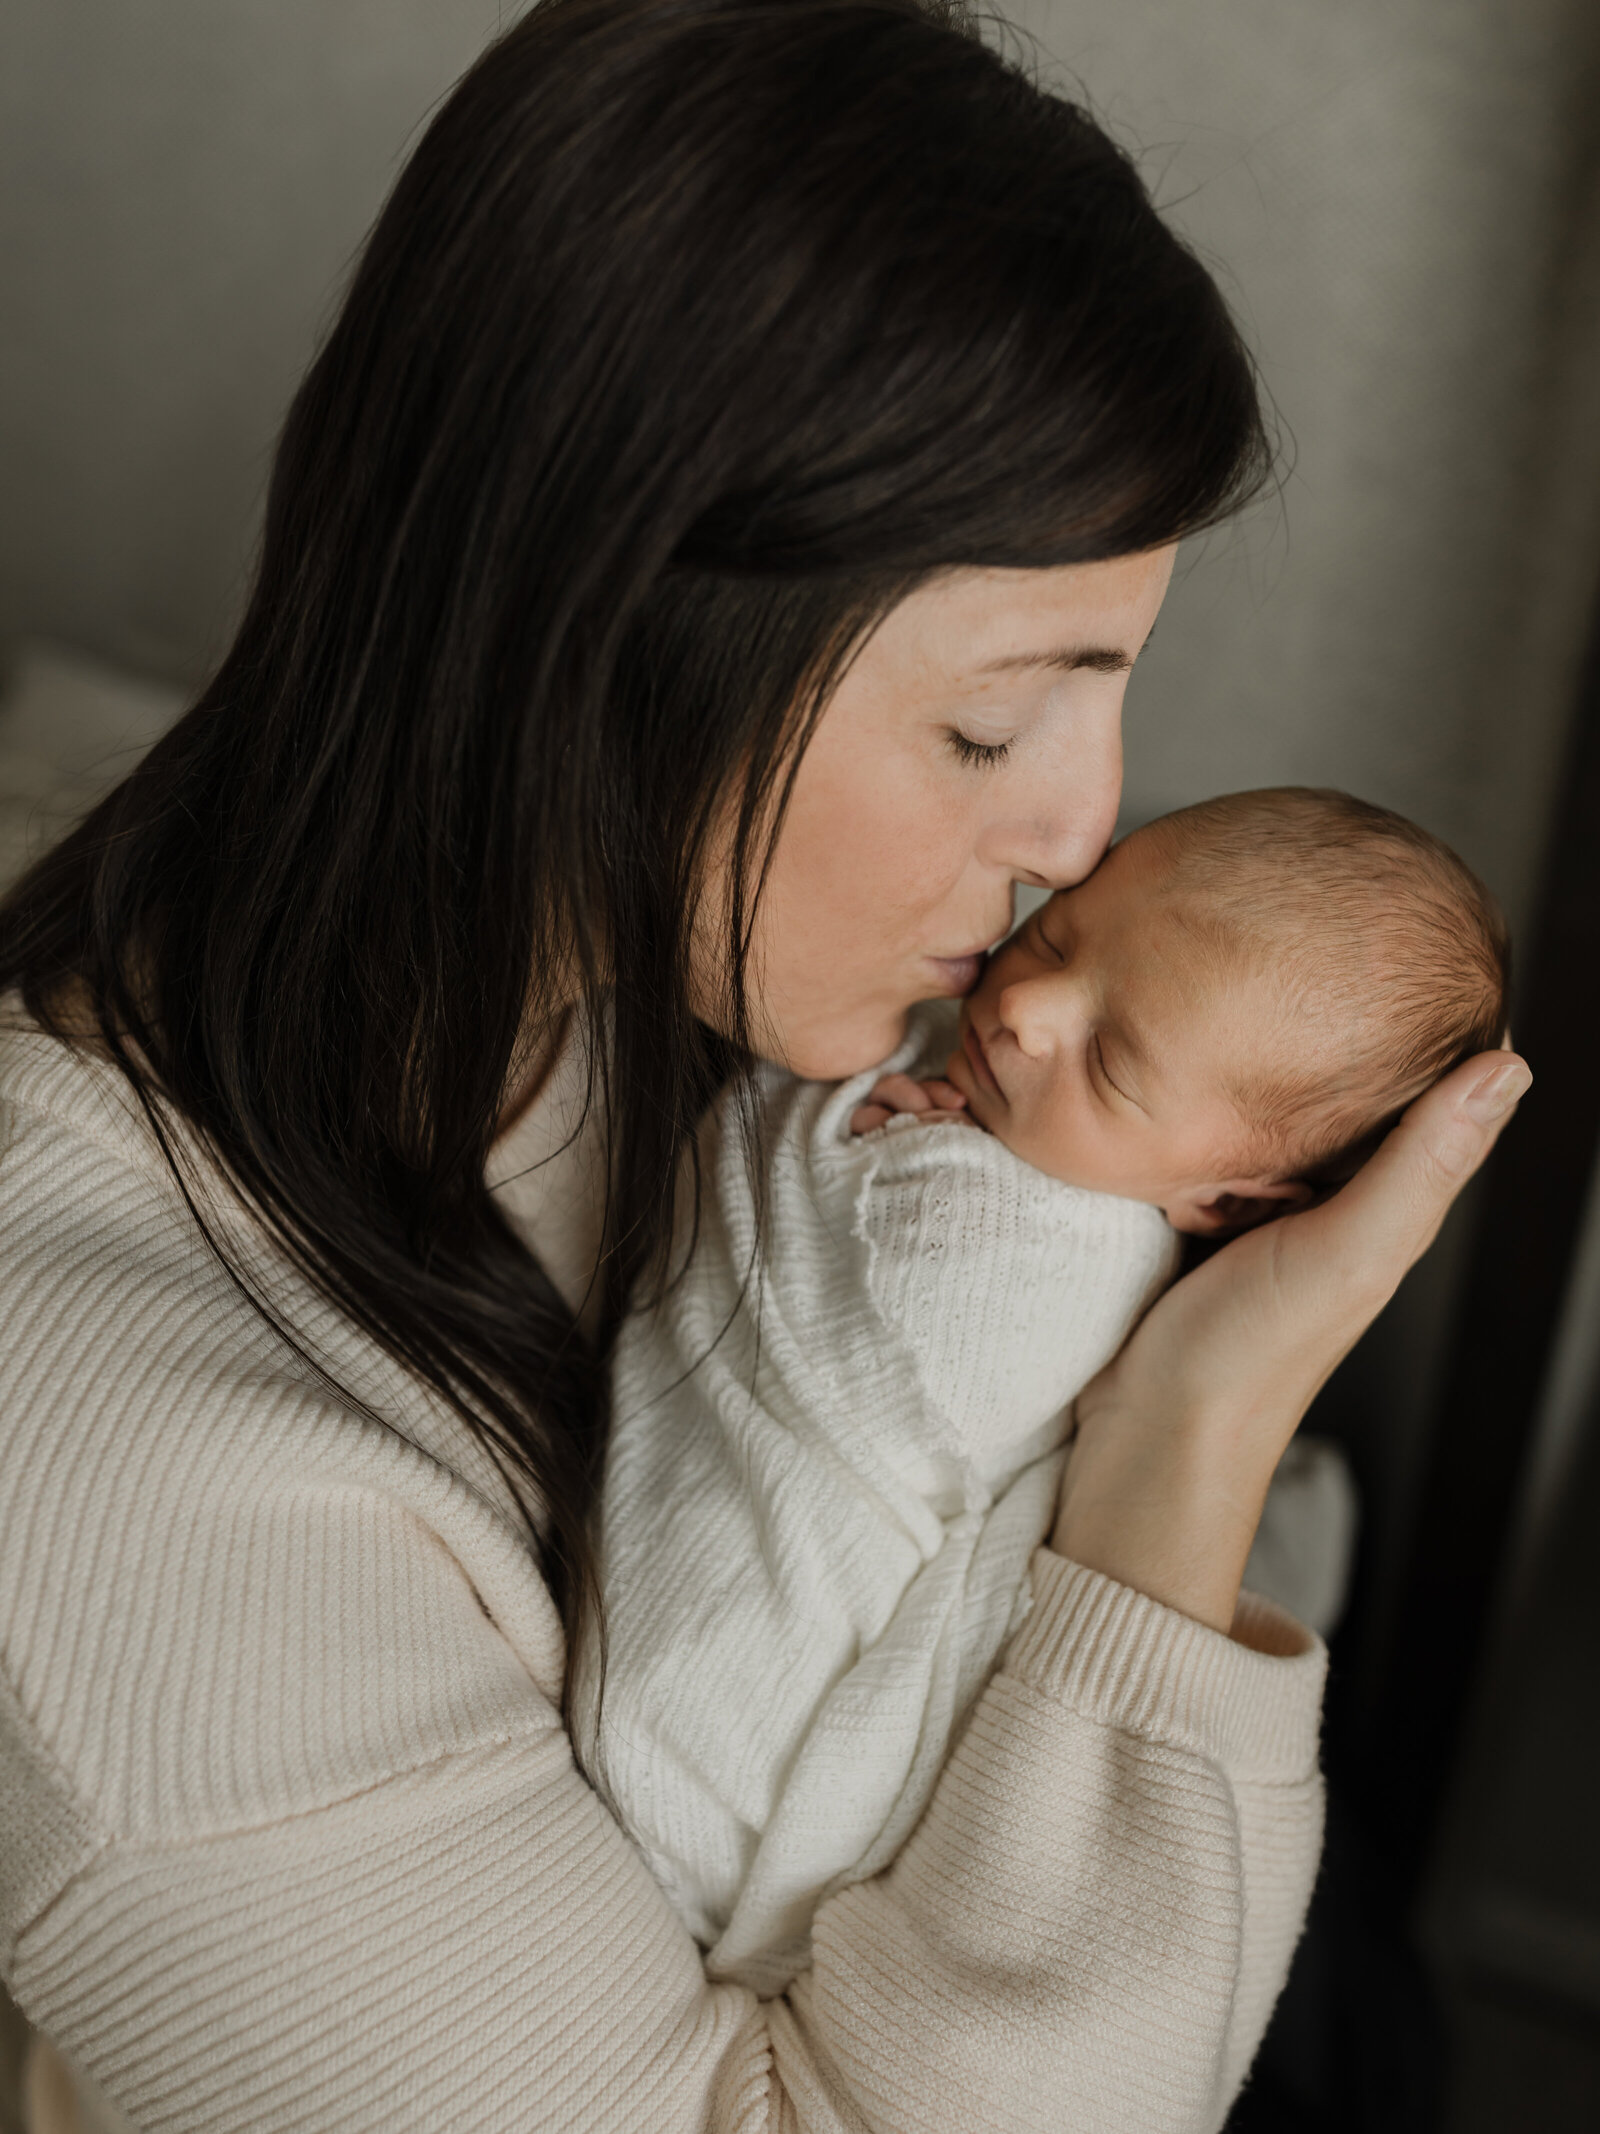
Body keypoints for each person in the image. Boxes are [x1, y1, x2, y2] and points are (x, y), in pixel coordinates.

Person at [0, 3, 1527, 2129]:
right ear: (612, 627)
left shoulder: (655, 988)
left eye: (1103, 703)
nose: (1075, 834)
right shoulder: (117, 1482)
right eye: (990, 728)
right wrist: (1185, 1444)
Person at [587, 786, 1510, 1995]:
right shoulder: (1006, 1095)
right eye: (1061, 931)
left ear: (1222, 1205)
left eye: (1113, 1058)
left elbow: (802, 1214)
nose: (1023, 1008)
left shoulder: (1053, 1265)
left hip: (704, 1770)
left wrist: (831, 1125)